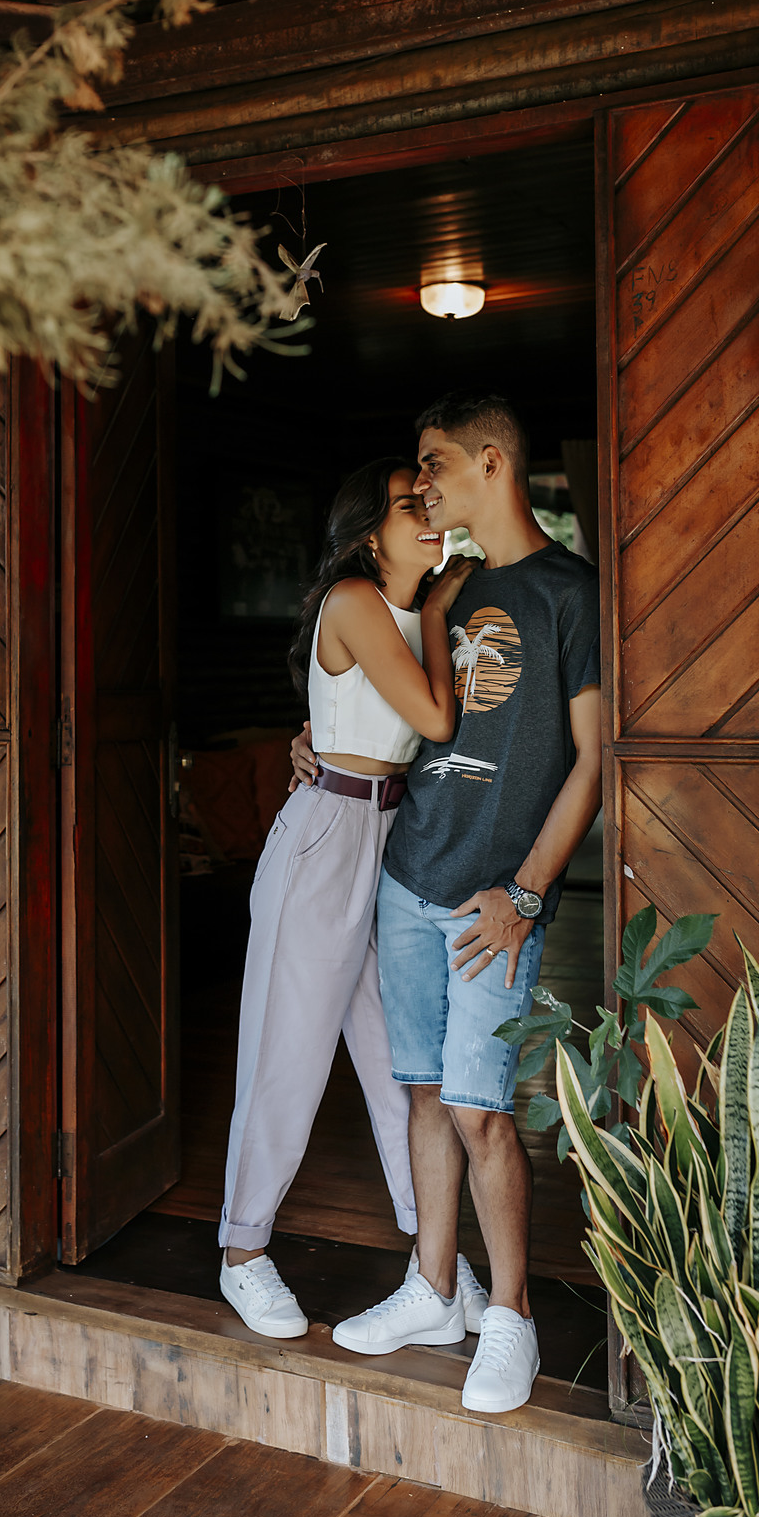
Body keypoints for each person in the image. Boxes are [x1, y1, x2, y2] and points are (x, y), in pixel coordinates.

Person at [291, 395, 602, 1415]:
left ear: (491, 463)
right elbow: (382, 707)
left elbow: (593, 760)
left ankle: (510, 1314)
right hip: (408, 874)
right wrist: (312, 744)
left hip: (492, 899)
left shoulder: (571, 593)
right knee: (423, 1092)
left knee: (480, 1110)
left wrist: (527, 892)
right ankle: (432, 1291)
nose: (423, 485)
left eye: (434, 464)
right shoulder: (443, 589)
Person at [219, 458, 481, 1340]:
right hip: (327, 837)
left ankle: (432, 1259)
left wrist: (438, 611)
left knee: (400, 1062)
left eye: (429, 502)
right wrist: (438, 614)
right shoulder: (358, 601)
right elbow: (435, 721)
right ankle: (243, 1252)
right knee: (284, 1056)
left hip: (392, 837)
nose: (429, 515)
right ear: (371, 532)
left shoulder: (419, 607)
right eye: (410, 507)